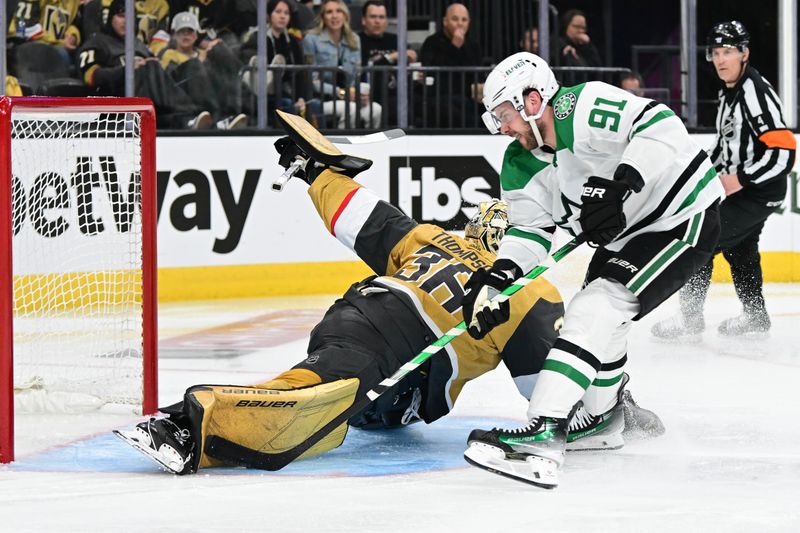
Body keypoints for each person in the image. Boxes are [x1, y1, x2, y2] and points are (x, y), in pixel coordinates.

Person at [114, 109, 573, 475]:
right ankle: (182, 425)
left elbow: (364, 217)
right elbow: (548, 394)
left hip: (356, 315)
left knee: (335, 386)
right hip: (400, 360)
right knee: (313, 394)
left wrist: (317, 173)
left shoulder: (435, 238)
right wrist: (606, 401)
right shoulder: (531, 290)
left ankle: (199, 419)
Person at [461, 51, 723, 488]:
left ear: (532, 99)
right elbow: (530, 230)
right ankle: (604, 420)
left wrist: (623, 181)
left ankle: (544, 428)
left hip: (680, 215)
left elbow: (661, 125)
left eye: (505, 114)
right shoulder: (518, 161)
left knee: (595, 308)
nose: (502, 127)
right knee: (604, 322)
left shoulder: (582, 107)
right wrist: (499, 278)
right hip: (628, 235)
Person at [651, 21, 796, 340]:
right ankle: (755, 316)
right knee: (741, 248)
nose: (720, 60)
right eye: (715, 53)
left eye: (728, 52)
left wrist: (741, 179)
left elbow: (784, 152)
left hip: (759, 192)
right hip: (748, 191)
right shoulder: (729, 93)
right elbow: (727, 144)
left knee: (702, 241)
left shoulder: (754, 92)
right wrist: (703, 171)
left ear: (744, 53)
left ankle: (689, 319)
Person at [77, 0, 211, 129]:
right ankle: (191, 114)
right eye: (121, 16)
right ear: (111, 18)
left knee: (192, 66)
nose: (126, 21)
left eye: (130, 17)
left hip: (150, 101)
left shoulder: (139, 45)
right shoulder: (98, 42)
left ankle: (211, 116)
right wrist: (128, 69)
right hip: (118, 100)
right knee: (149, 67)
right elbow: (91, 77)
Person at [159, 12, 248, 130]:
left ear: (196, 35)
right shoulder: (168, 54)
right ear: (174, 35)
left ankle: (232, 114)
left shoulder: (202, 54)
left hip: (208, 92)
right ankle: (210, 118)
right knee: (195, 66)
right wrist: (199, 62)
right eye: (181, 32)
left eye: (189, 32)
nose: (186, 36)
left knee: (220, 57)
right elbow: (170, 78)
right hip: (183, 95)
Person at [303, 0, 382, 129]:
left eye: (339, 11)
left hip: (348, 98)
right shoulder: (311, 39)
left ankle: (368, 145)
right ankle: (341, 146)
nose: (334, 16)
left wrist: (358, 93)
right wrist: (341, 93)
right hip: (322, 99)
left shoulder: (354, 39)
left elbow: (356, 74)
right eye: (329, 12)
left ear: (345, 15)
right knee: (350, 109)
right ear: (323, 16)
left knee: (376, 109)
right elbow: (313, 81)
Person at [240, 0, 318, 126]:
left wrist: (301, 98)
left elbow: (300, 73)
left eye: (286, 13)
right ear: (269, 15)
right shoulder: (256, 38)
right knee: (286, 104)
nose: (282, 16)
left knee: (313, 105)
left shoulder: (294, 42)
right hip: (260, 95)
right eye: (278, 12)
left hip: (287, 92)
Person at [419, 2, 483, 127]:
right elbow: (431, 71)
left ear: (468, 23)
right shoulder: (432, 42)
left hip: (467, 98)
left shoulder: (473, 45)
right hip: (440, 97)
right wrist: (454, 47)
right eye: (455, 19)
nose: (460, 23)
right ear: (445, 21)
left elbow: (477, 75)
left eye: (464, 20)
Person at [358, 0, 417, 124]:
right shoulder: (357, 41)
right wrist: (392, 57)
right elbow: (366, 69)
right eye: (373, 17)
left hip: (397, 93)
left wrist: (413, 63)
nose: (377, 21)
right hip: (372, 93)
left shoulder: (397, 40)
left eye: (381, 17)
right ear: (364, 20)